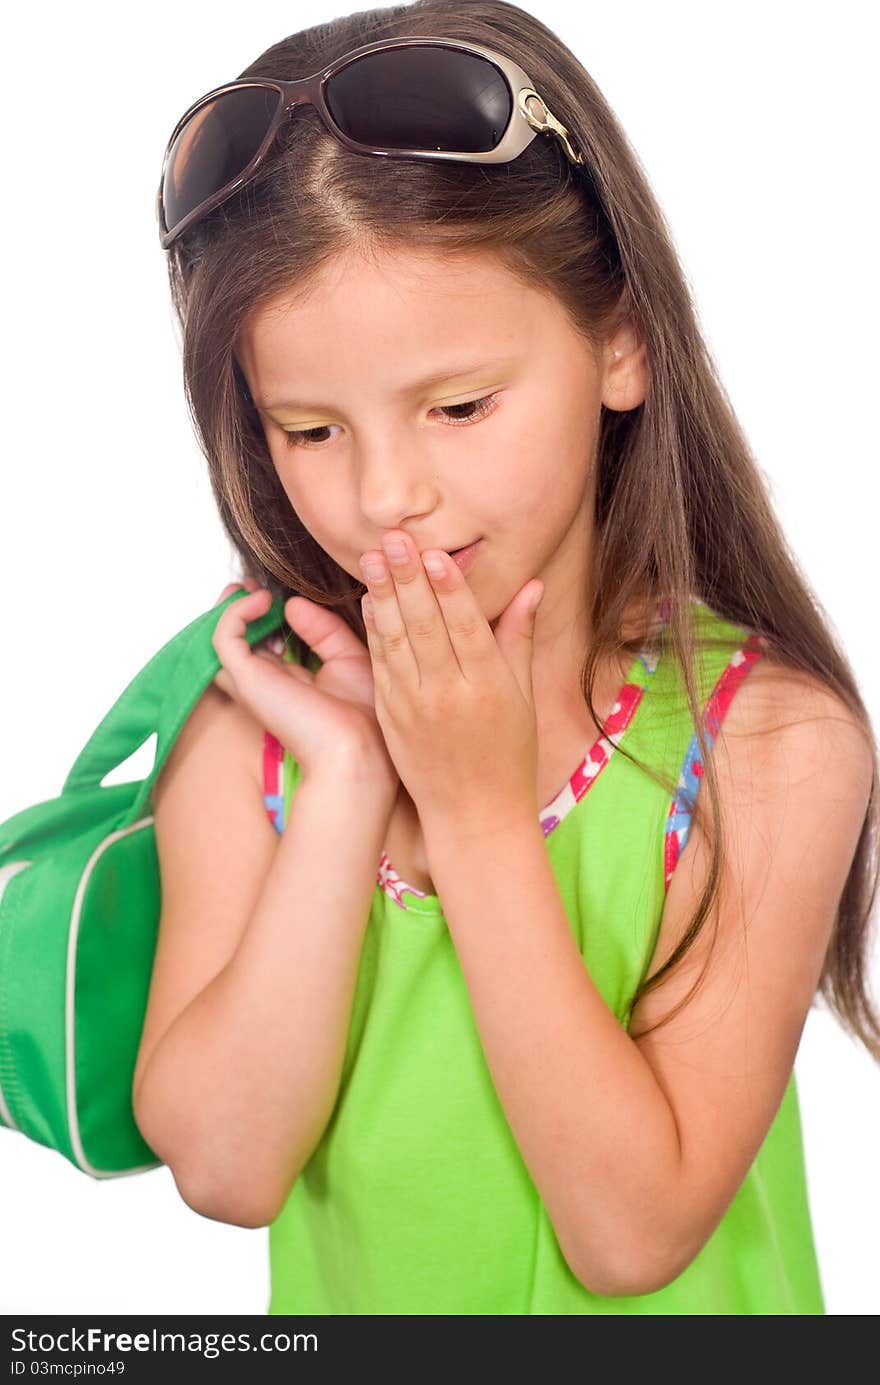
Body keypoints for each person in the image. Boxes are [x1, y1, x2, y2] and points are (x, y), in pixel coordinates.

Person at [130, 0, 879, 1315]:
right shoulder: (252, 737)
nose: (386, 496)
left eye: (460, 405)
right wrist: (349, 787)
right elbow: (227, 1165)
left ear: (621, 343)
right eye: (309, 430)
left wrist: (475, 812)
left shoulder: (766, 741)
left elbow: (631, 1231)